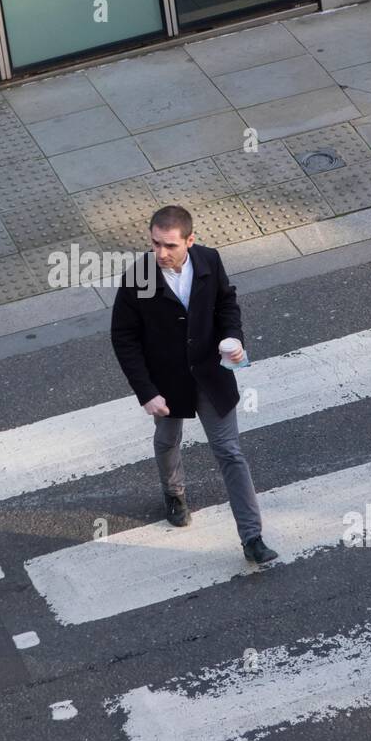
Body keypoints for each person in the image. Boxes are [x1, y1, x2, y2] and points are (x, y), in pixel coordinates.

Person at [110, 204, 278, 566]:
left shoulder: (209, 261)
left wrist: (233, 339)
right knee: (168, 438)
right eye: (155, 244)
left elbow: (225, 305)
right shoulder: (138, 277)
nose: (160, 253)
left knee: (230, 452)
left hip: (210, 374)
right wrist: (146, 391)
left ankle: (252, 537)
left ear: (190, 240)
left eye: (169, 246)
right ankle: (174, 494)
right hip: (166, 381)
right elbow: (124, 337)